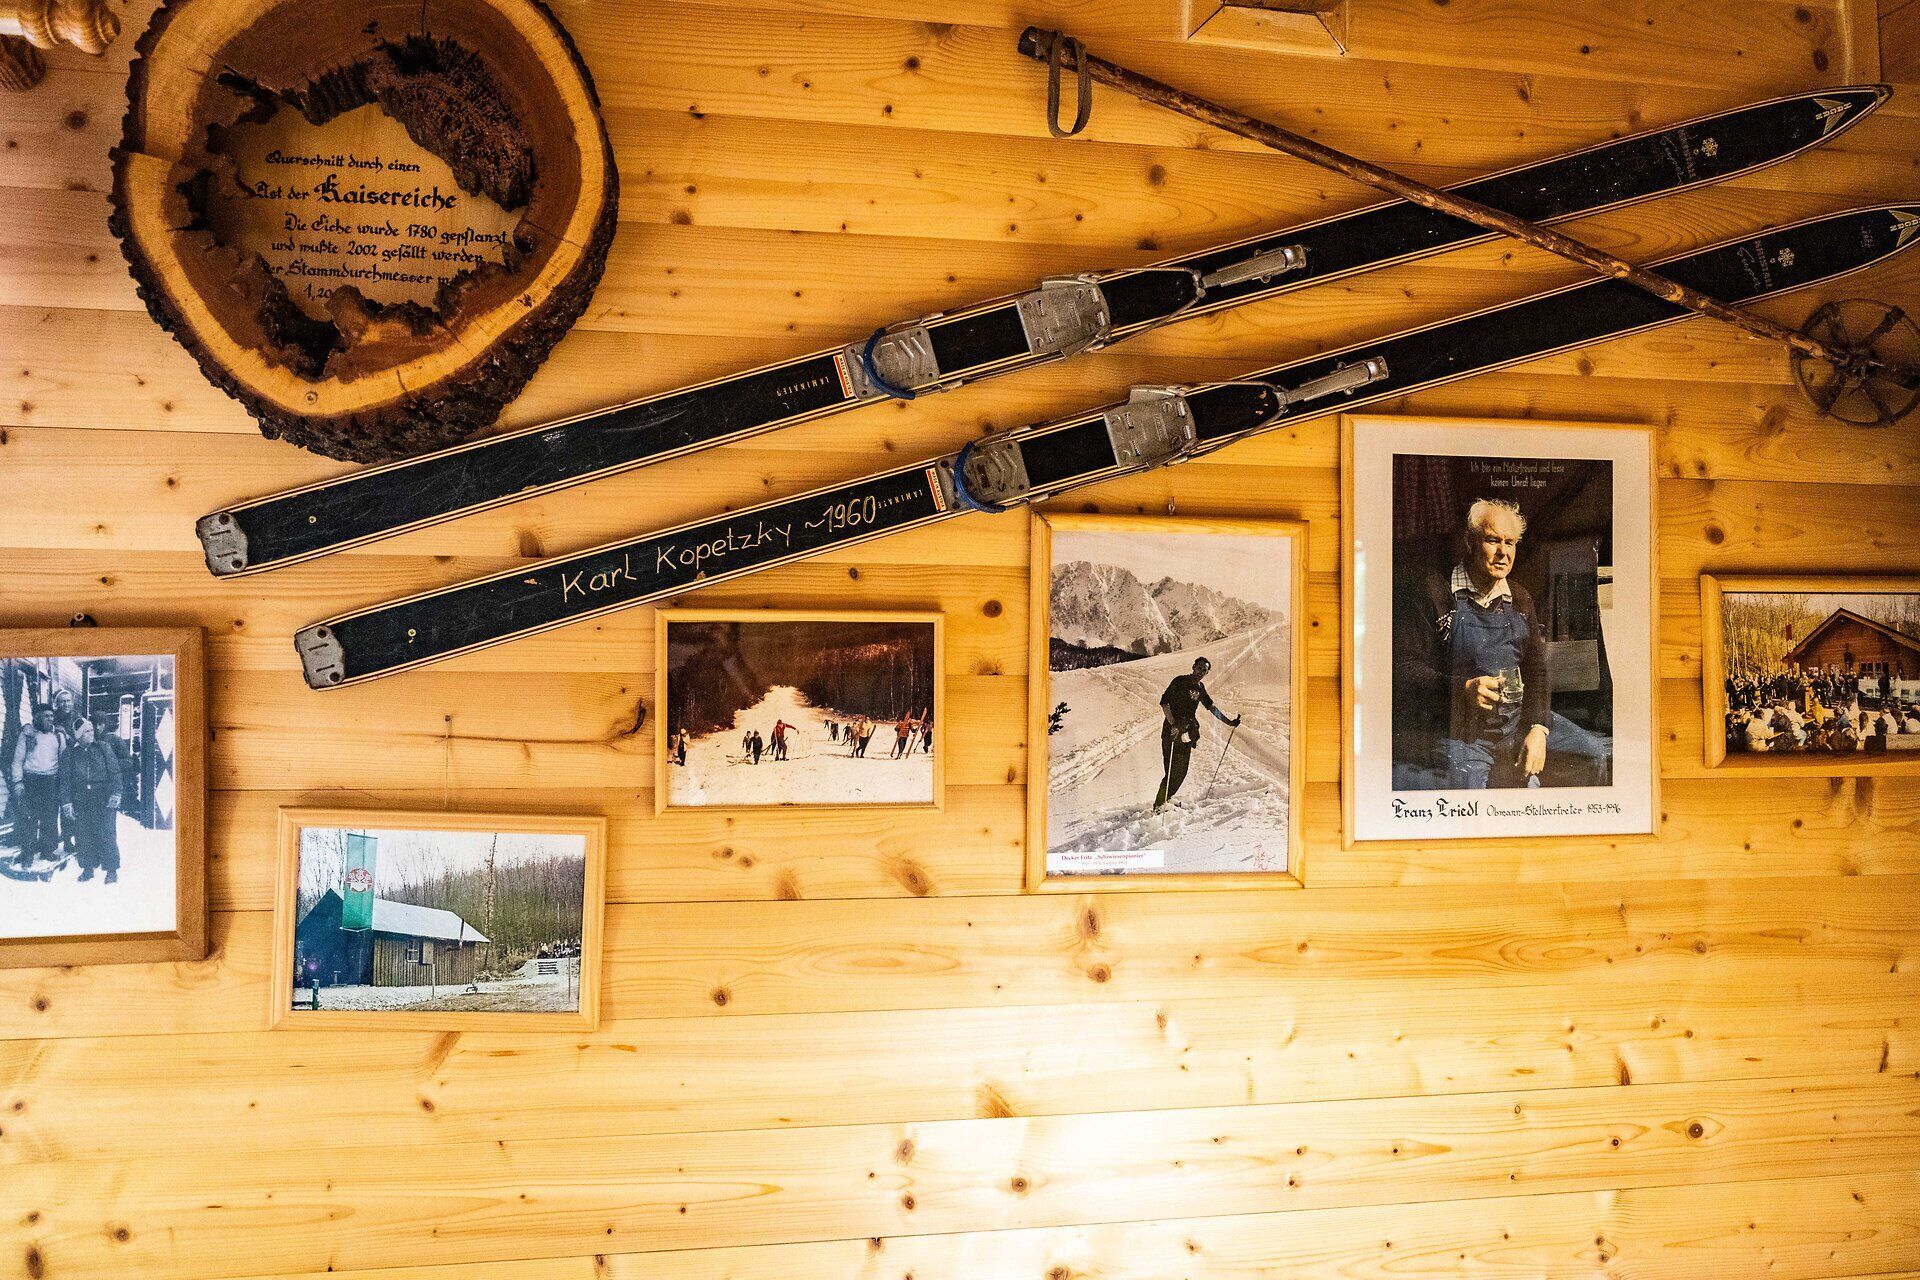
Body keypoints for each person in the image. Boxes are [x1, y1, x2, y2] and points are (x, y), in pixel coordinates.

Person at [1393, 497, 1551, 789]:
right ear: (1469, 541)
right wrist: (1462, 689)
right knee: (1470, 792)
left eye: (1511, 543)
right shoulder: (1435, 593)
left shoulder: (1519, 598)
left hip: (1515, 725)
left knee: (1589, 755)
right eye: (1492, 540)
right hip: (1461, 733)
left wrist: (1538, 727)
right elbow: (1403, 669)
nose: (1503, 553)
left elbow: (1537, 671)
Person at [1153, 656, 1240, 812]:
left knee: (1182, 771)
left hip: (1187, 732)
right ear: (1193, 667)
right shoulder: (1179, 681)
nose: (1201, 672)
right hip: (1171, 731)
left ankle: (1165, 799)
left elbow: (1212, 708)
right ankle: (1159, 805)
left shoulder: (1200, 689)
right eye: (1199, 668)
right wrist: (1173, 724)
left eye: (1204, 670)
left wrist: (1230, 722)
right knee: (1171, 769)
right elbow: (1164, 702)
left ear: (1207, 673)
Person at [60, 718, 122, 883]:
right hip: (81, 798)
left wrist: (116, 793)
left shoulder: (103, 748)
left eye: (91, 730)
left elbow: (115, 772)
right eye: (86, 731)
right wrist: (67, 803)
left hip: (103, 796)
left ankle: (111, 870)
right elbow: (64, 780)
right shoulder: (70, 753)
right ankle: (88, 869)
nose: (91, 733)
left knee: (107, 833)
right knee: (83, 834)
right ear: (78, 735)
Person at [8, 705, 64, 858]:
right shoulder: (27, 735)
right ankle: (27, 851)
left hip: (51, 781)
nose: (50, 719)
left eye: (51, 716)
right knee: (29, 817)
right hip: (31, 780)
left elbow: (64, 760)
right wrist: (18, 782)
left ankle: (48, 851)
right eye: (46, 716)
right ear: (37, 717)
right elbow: (17, 760)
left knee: (50, 818)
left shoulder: (58, 736)